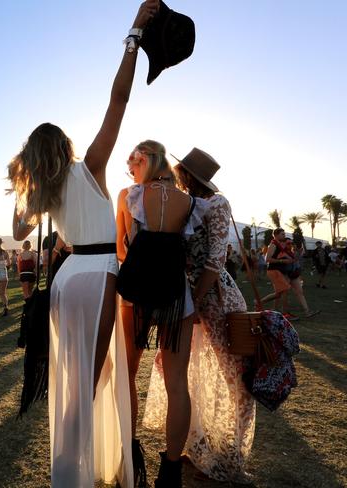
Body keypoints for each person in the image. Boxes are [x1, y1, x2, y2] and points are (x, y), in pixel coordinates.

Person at [7, 3, 159, 485]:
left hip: (65, 280)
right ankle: (71, 472)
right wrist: (133, 37)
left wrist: (23, 185)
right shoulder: (89, 166)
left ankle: (82, 463)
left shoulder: (44, 190)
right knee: (89, 382)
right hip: (97, 277)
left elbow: (17, 234)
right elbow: (118, 101)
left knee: (74, 377)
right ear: (66, 145)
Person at [143, 149, 256, 483]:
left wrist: (194, 299)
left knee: (236, 378)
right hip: (184, 300)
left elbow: (215, 258)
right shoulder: (182, 203)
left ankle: (231, 454)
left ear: (186, 175)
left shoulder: (217, 203)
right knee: (186, 375)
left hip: (214, 299)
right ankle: (194, 446)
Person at [117, 140, 196, 486]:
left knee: (129, 375)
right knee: (177, 384)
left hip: (137, 293)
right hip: (177, 295)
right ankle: (171, 470)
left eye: (132, 164)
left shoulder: (129, 196)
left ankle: (131, 457)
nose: (131, 171)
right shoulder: (189, 201)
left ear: (144, 161)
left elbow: (121, 247)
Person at [260, 228, 294, 317]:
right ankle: (285, 313)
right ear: (276, 235)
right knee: (285, 290)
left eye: (284, 233)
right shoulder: (273, 244)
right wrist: (283, 261)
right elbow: (267, 259)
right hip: (273, 270)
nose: (284, 235)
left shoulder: (278, 244)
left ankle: (259, 303)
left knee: (279, 294)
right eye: (282, 234)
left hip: (277, 270)